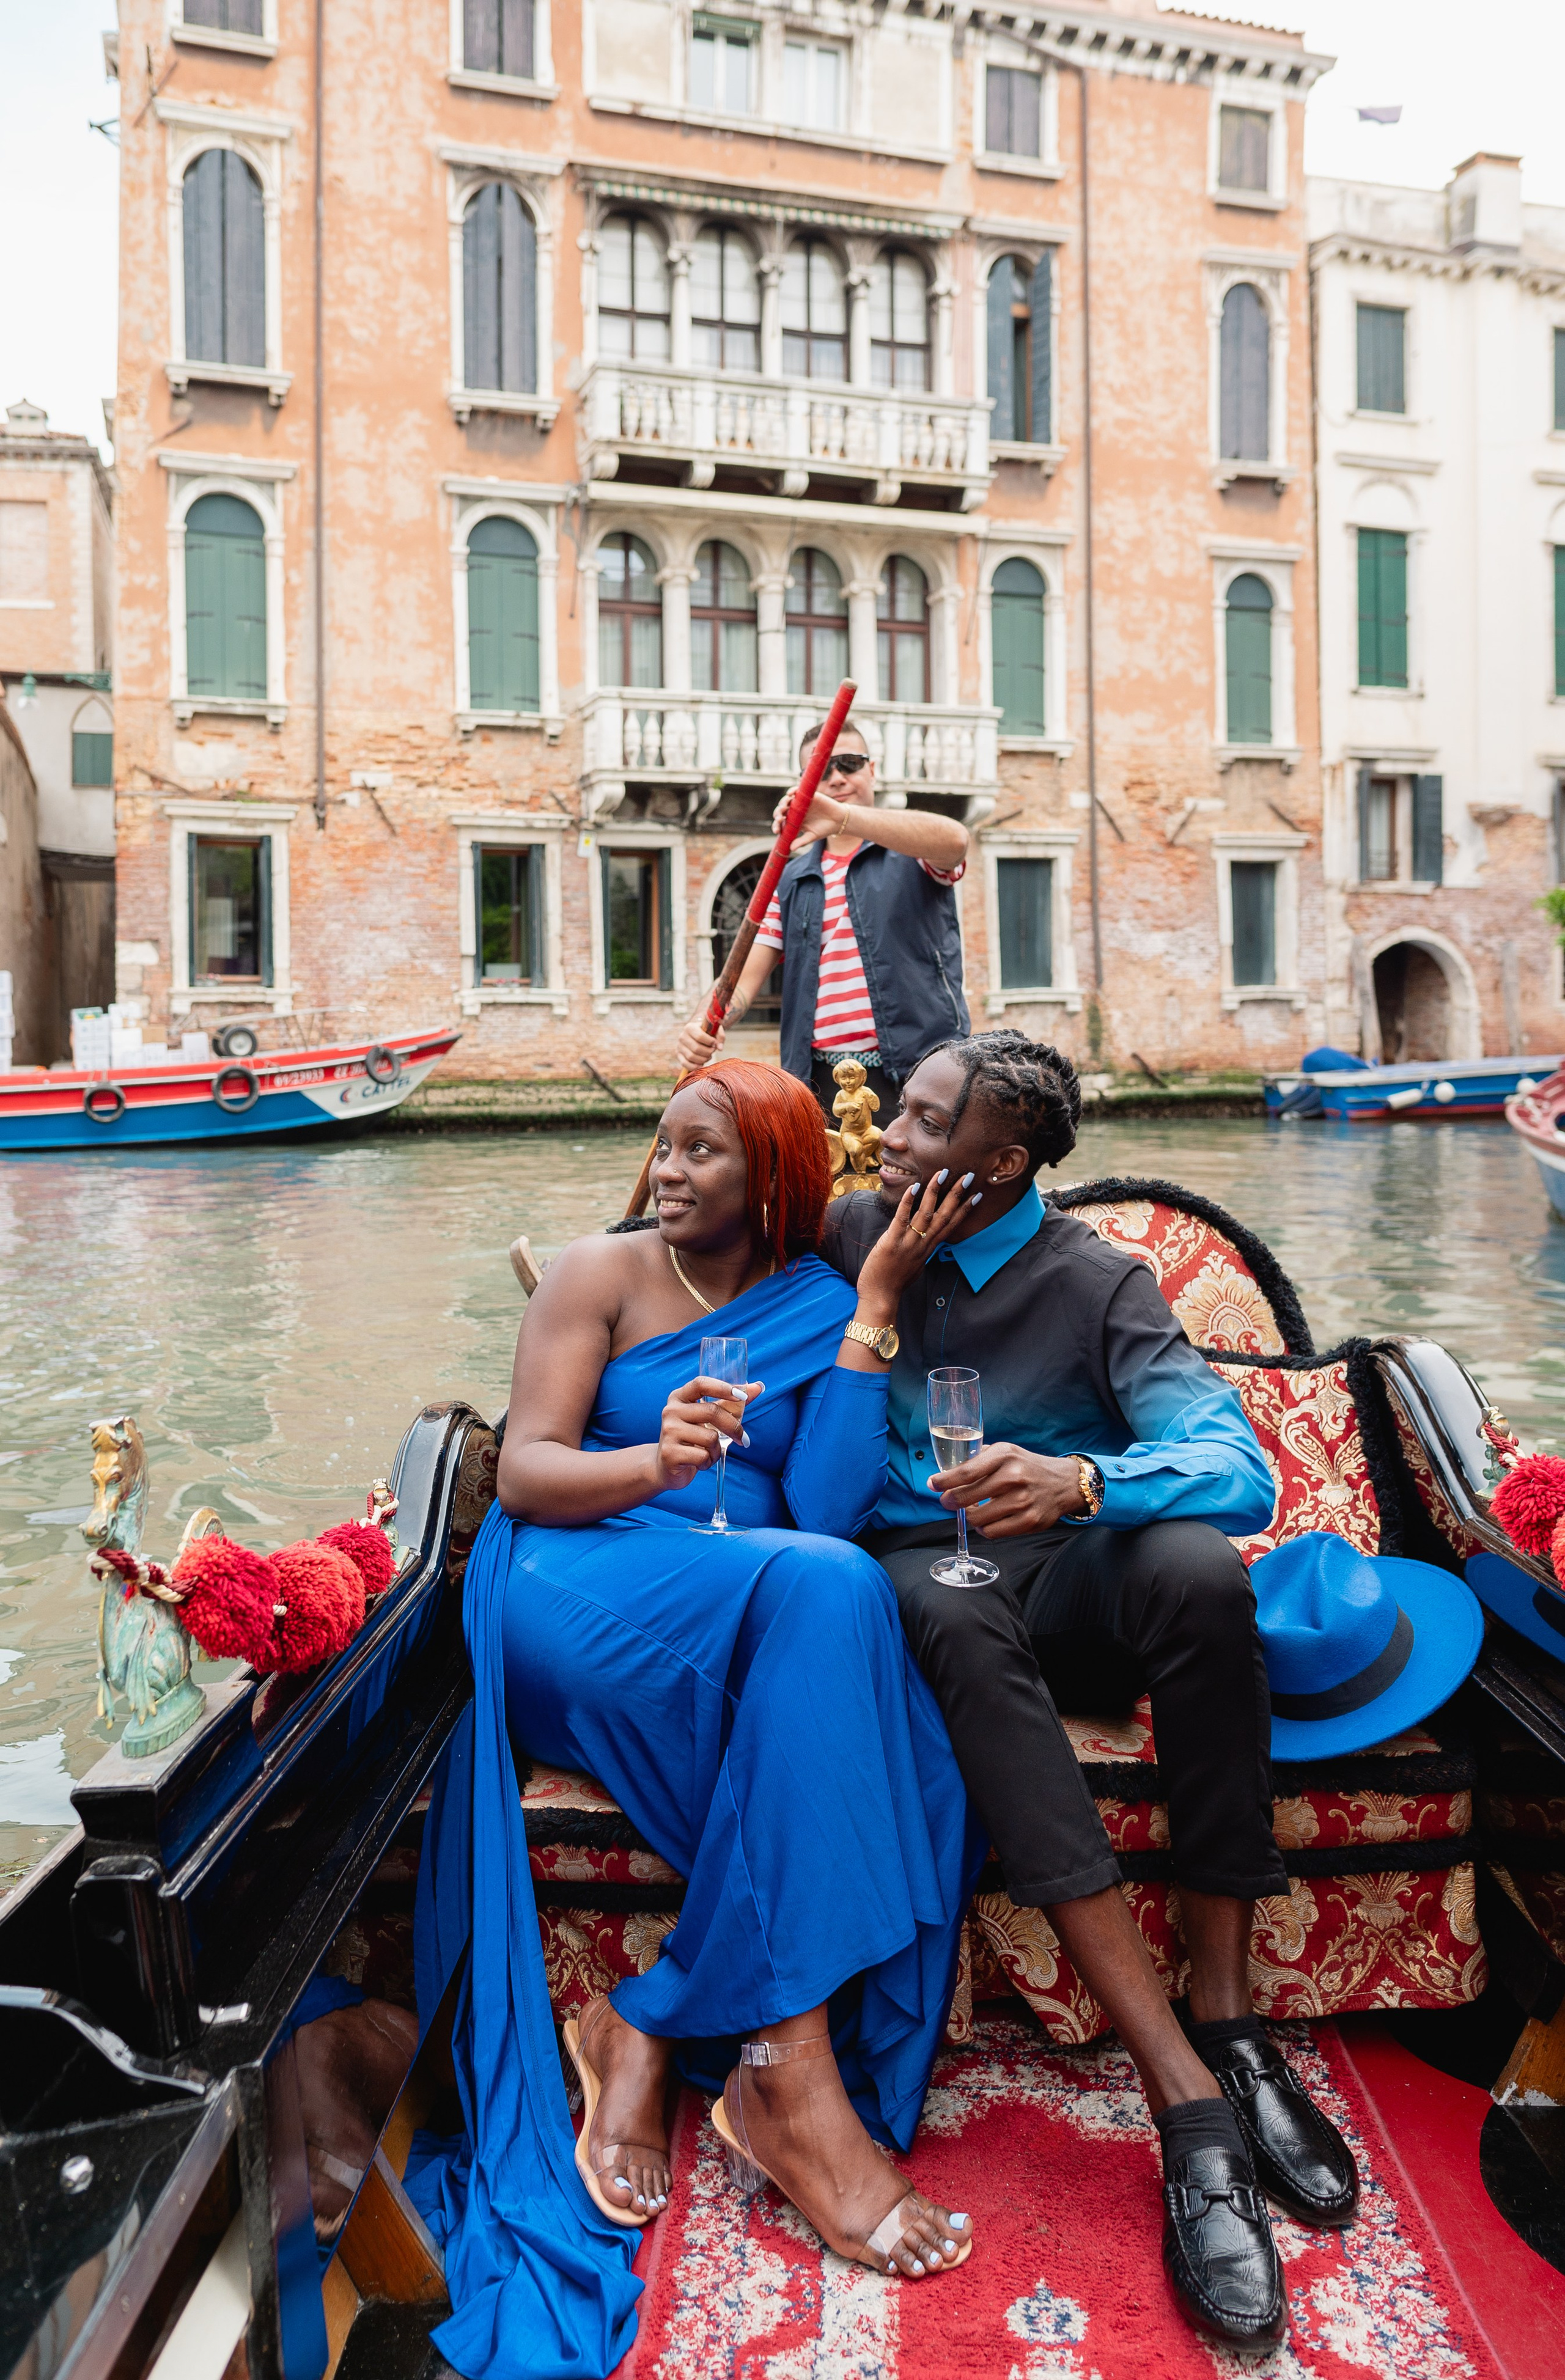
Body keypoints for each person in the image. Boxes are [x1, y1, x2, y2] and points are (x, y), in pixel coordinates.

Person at [410, 1059, 985, 2380]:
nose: (666, 1170)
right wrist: (653, 1461)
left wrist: (873, 1311)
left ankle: (653, 2020)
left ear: (774, 1173)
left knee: (855, 1637)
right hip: (569, 1578)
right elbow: (528, 1472)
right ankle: (786, 2083)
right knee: (833, 1605)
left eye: (700, 1151)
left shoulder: (819, 1300)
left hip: (743, 1595)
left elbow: (826, 1510)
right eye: (662, 1145)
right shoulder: (596, 1274)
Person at [821, 1029, 1361, 2351]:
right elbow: (687, 1234)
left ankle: (1227, 2017)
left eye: (925, 1120)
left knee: (1197, 1568)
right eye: (899, 1109)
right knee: (948, 1602)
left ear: (1001, 1162)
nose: (890, 1133)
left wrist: (1082, 1480)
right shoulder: (848, 1234)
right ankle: (1182, 2090)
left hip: (1067, 1577)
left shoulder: (1094, 1279)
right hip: (921, 1573)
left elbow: (1241, 1469)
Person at [674, 721, 970, 1123]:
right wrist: (701, 1022)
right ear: (805, 783)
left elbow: (956, 841)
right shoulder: (790, 881)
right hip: (817, 1085)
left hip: (919, 1077)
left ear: (872, 769)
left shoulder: (915, 852)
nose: (837, 777)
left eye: (849, 763)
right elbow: (739, 982)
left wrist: (843, 817)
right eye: (822, 770)